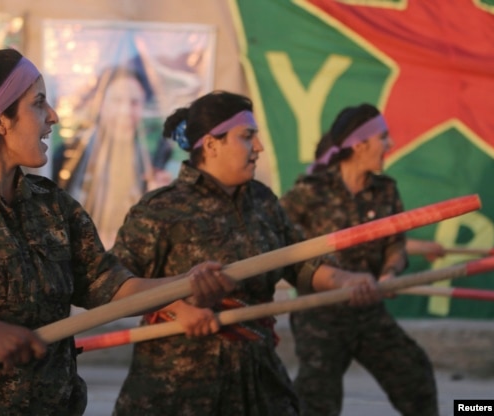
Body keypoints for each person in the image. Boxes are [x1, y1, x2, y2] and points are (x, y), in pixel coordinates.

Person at [0, 49, 235, 416]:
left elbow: (113, 286)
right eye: (39, 103)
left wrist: (184, 285)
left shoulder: (53, 205)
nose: (53, 116)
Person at [109, 91, 383, 416]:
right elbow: (114, 283)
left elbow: (298, 262)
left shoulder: (263, 201)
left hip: (258, 380)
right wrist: (177, 307)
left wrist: (345, 281)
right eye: (247, 137)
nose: (259, 147)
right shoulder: (161, 209)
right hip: (181, 386)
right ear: (211, 145)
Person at [279, 103, 439, 416]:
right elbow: (279, 244)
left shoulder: (386, 191)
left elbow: (396, 243)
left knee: (414, 375)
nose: (389, 145)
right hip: (320, 315)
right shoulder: (309, 192)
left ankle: (474, 410)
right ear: (360, 144)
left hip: (369, 310)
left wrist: (390, 274)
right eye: (383, 137)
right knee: (316, 398)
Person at [51, 66, 172, 248]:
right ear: (100, 104)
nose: (126, 111)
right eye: (117, 100)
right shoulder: (69, 155)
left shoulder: (153, 159)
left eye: (134, 102)